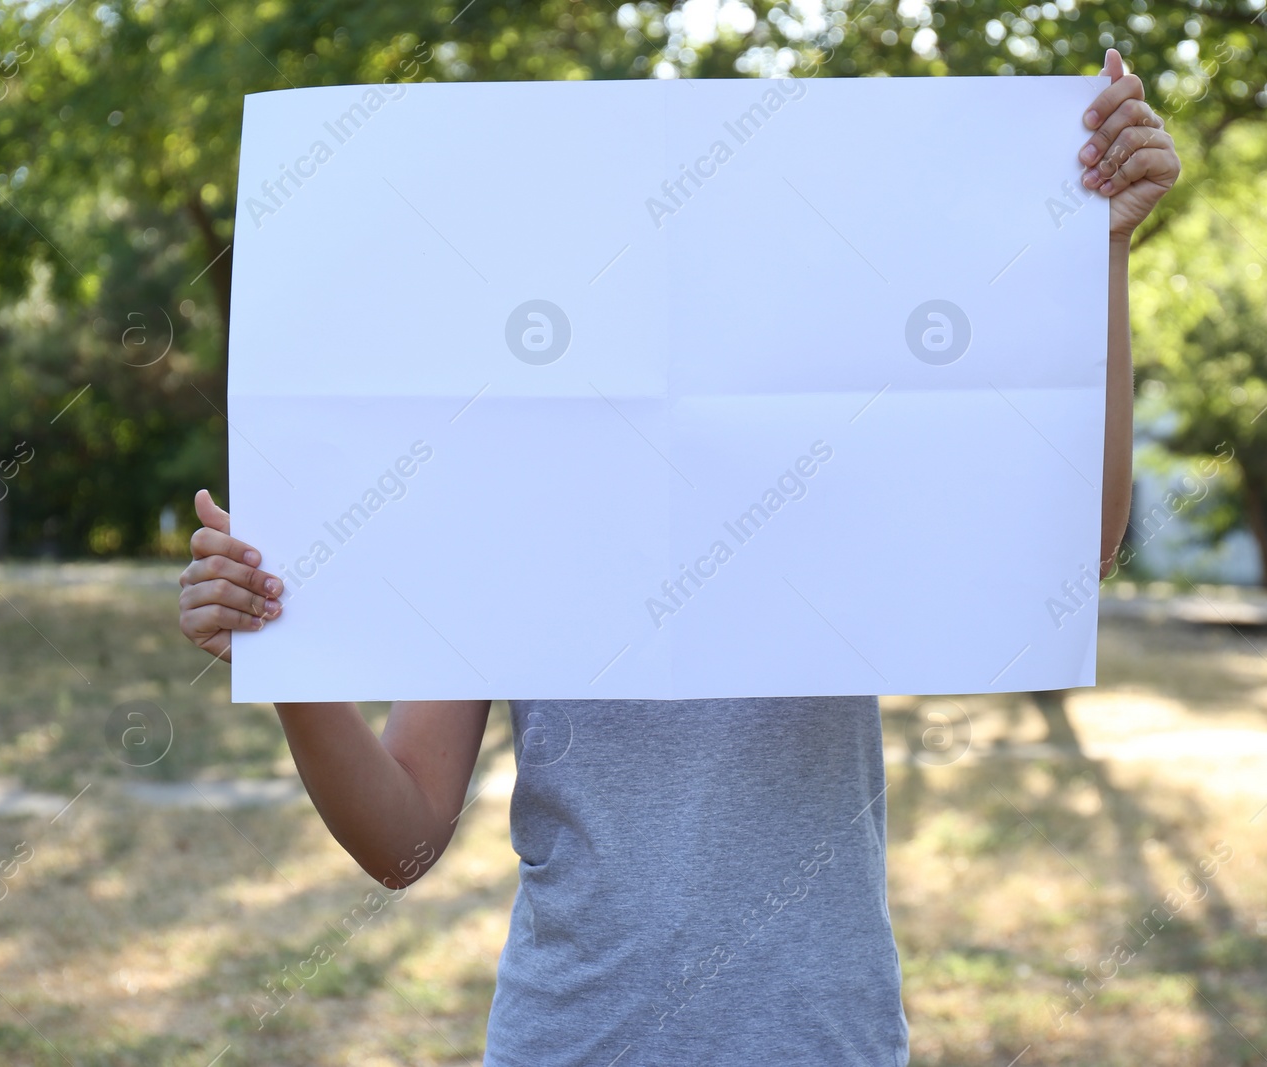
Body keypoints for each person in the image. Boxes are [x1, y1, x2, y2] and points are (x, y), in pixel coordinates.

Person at [178, 48, 1178, 1067]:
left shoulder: (834, 462)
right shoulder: (499, 497)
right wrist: (288, 662)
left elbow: (1069, 551)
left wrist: (1091, 256)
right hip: (572, 1041)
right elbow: (402, 839)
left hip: (821, 1040)